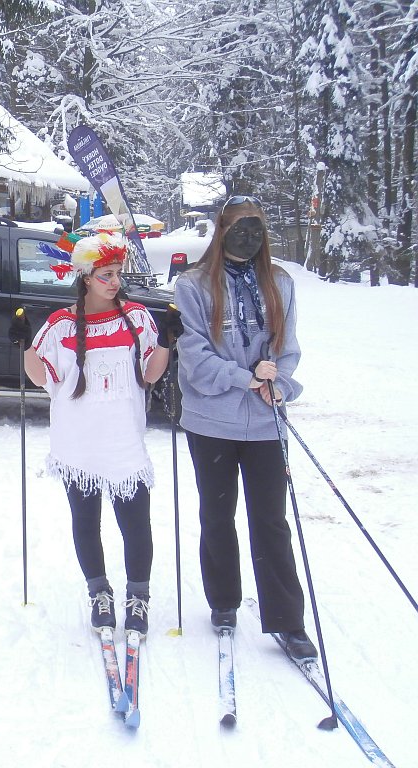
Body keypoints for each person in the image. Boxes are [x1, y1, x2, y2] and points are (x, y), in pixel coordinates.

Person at [12, 233, 180, 635]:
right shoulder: (61, 325)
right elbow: (40, 377)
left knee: (136, 525)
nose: (115, 282)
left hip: (124, 441)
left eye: (118, 273)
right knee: (86, 522)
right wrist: (25, 344)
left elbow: (150, 375)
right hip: (78, 444)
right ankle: (99, 593)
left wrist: (166, 341)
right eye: (106, 275)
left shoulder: (137, 317)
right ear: (86, 277)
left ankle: (138, 597)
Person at [174, 194, 317, 660]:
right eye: (240, 228)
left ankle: (287, 620)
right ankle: (224, 601)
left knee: (271, 520)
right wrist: (244, 377)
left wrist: (279, 383)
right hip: (212, 422)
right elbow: (194, 356)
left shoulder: (280, 282)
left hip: (265, 423)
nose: (249, 237)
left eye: (257, 229)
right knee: (217, 515)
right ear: (221, 231)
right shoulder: (193, 284)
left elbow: (287, 347)